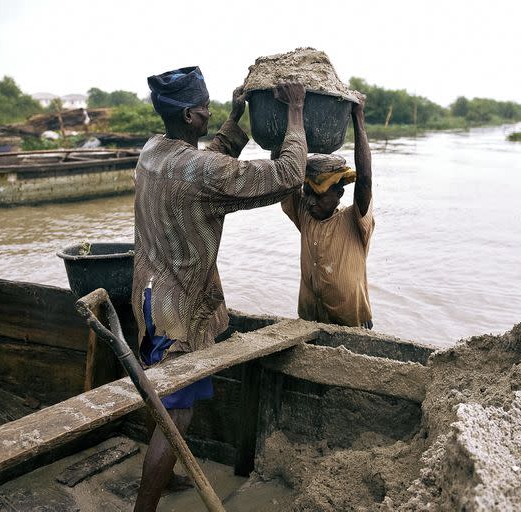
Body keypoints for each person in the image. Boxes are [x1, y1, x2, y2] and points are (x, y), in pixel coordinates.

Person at [131, 66, 307, 512]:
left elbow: (210, 160)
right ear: (190, 115)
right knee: (176, 413)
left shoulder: (153, 152)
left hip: (149, 299)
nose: (210, 114)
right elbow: (288, 174)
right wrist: (297, 114)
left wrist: (234, 119)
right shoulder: (200, 170)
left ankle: (165, 476)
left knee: (165, 394)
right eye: (206, 109)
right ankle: (144, 506)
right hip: (180, 310)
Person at [281, 94, 374, 328]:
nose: (310, 202)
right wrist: (291, 110)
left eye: (319, 196)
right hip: (310, 320)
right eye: (307, 193)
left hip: (351, 323)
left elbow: (365, 180)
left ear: (339, 194)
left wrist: (358, 117)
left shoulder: (353, 219)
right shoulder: (304, 214)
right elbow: (282, 173)